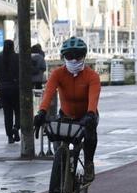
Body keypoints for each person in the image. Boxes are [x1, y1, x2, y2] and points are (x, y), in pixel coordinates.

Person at [33, 36, 101, 183]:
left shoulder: (92, 76)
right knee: (58, 146)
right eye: (70, 56)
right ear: (64, 57)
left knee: (90, 134)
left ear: (84, 57)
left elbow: (93, 98)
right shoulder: (57, 74)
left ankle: (89, 164)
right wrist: (41, 112)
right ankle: (59, 186)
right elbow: (48, 93)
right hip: (66, 115)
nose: (74, 60)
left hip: (86, 115)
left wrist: (90, 114)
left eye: (78, 56)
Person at [0, 39, 21, 142]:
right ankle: (16, 127)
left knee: (7, 113)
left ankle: (9, 136)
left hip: (3, 88)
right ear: (13, 46)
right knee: (18, 111)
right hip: (16, 87)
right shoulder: (17, 57)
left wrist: (0, 77)